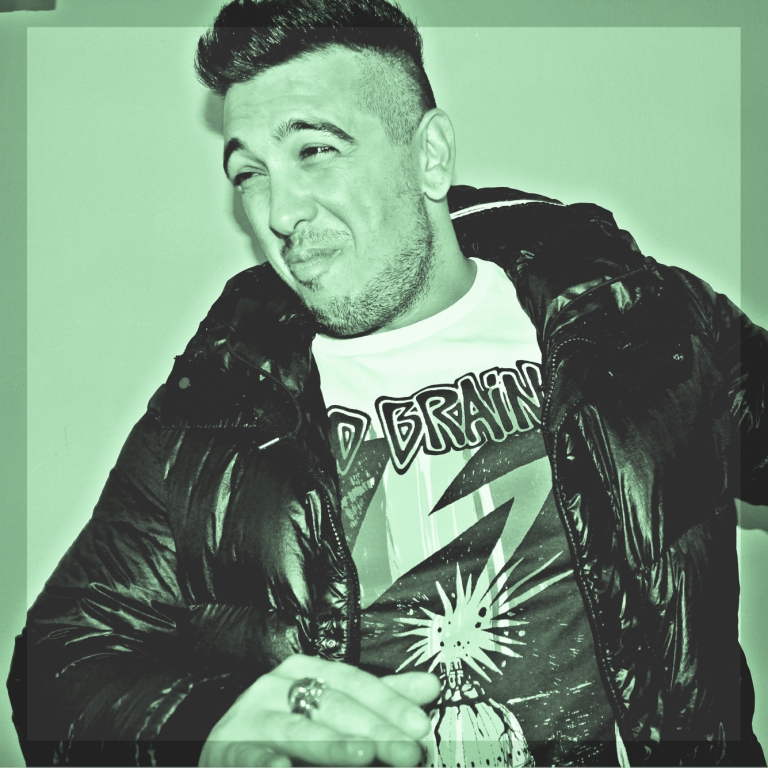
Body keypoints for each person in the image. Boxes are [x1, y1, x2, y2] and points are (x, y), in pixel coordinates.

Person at [8, 0, 767, 766]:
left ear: (430, 155)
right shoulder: (218, 406)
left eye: (314, 150)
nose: (280, 212)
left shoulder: (637, 321)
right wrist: (210, 726)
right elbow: (55, 665)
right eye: (250, 173)